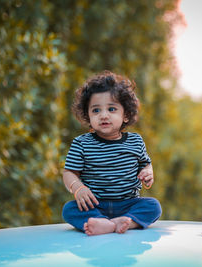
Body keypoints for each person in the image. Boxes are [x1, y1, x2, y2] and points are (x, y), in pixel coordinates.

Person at [62, 70, 161, 236]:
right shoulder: (81, 143)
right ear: (87, 115)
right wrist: (78, 188)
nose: (103, 115)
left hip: (129, 203)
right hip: (94, 204)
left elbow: (146, 164)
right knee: (69, 209)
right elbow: (69, 173)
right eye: (96, 111)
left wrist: (148, 172)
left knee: (153, 206)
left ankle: (117, 223)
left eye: (112, 109)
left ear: (126, 115)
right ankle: (105, 221)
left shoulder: (135, 141)